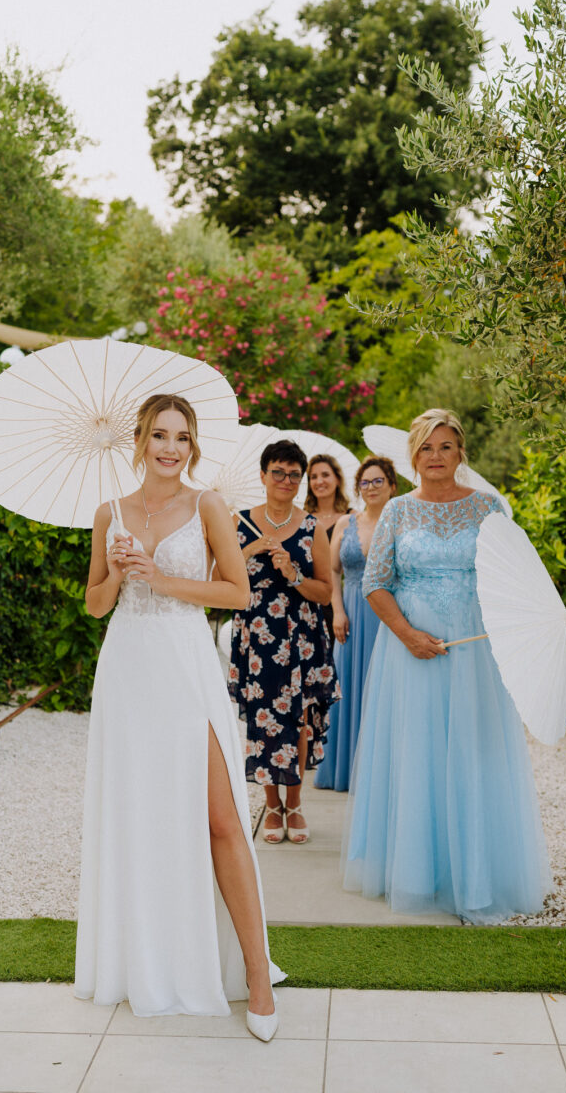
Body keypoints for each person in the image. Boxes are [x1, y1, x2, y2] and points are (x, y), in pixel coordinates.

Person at [75, 393, 284, 1041]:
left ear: (191, 447)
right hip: (129, 673)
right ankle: (150, 962)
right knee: (140, 818)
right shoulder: (110, 512)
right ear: (139, 440)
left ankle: (255, 976)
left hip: (186, 665)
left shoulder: (207, 505)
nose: (171, 448)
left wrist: (161, 577)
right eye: (160, 435)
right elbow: (94, 604)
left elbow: (237, 592)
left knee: (221, 820)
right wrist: (118, 569)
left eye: (182, 438)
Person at [343, 409, 553, 924]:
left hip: (475, 649)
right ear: (412, 456)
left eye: (444, 447)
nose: (434, 457)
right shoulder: (395, 511)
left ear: (461, 452)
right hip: (410, 650)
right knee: (417, 754)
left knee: (473, 751)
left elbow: (514, 577)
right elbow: (375, 583)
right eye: (425, 448)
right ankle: (418, 873)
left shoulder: (490, 508)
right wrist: (408, 635)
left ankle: (479, 873)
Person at [228, 439, 340, 845]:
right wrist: (251, 550)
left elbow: (325, 592)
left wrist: (293, 573)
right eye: (278, 472)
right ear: (263, 475)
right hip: (257, 637)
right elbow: (219, 579)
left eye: (295, 474)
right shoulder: (238, 523)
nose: (286, 480)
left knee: (299, 722)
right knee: (264, 721)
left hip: (302, 638)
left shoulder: (312, 528)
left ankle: (295, 803)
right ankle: (271, 805)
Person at [315, 456, 398, 792]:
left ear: (392, 485)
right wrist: (337, 610)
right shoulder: (348, 523)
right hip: (350, 616)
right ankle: (346, 770)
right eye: (365, 482)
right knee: (348, 691)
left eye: (378, 481)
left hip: (389, 618)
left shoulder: (401, 521)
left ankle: (383, 775)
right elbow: (333, 570)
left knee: (386, 691)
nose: (371, 487)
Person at [304, 453, 351, 639]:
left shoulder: (352, 518)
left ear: (337, 479)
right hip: (309, 603)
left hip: (343, 606)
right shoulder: (302, 520)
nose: (319, 481)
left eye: (325, 475)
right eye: (313, 477)